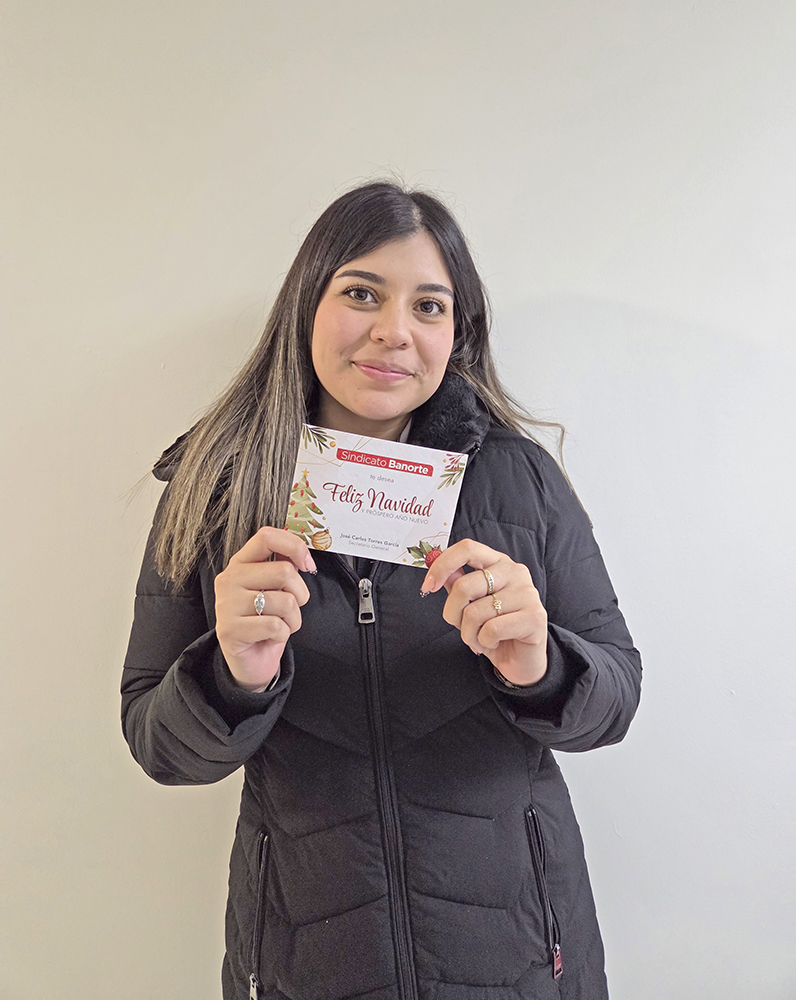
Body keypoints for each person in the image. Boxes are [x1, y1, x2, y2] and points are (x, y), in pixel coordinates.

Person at [121, 180, 642, 1000]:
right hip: (306, 965)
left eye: (429, 307)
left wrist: (541, 665)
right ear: (307, 303)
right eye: (362, 293)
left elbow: (615, 700)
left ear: (458, 332)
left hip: (520, 962)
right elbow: (159, 747)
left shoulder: (521, 480)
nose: (394, 331)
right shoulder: (214, 491)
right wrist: (231, 676)